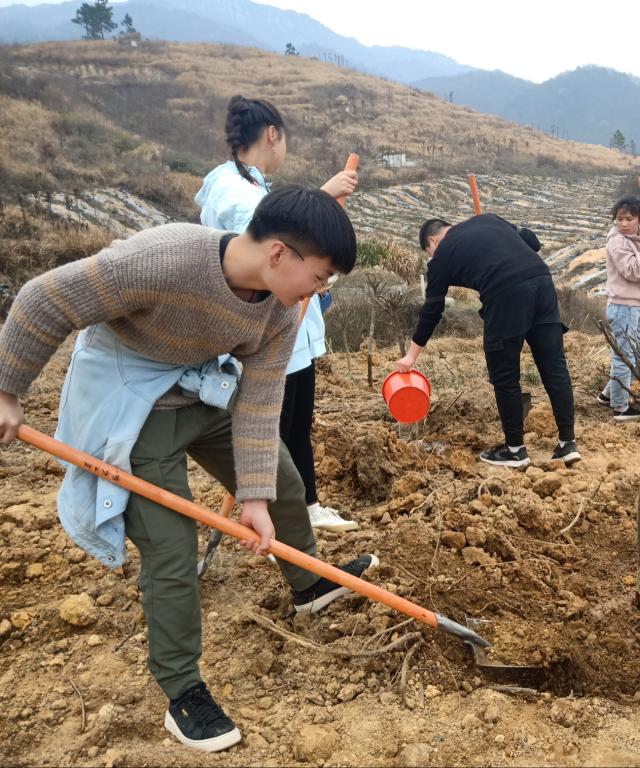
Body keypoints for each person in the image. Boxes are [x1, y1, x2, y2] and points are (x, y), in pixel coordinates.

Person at [0, 186, 380, 752]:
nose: (320, 290)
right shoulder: (164, 261)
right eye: (320, 277)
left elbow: (260, 402)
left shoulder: (279, 312)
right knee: (171, 544)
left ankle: (309, 583)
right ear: (279, 253)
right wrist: (7, 391)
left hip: (199, 388)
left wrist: (254, 497)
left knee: (281, 481)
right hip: (132, 397)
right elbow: (42, 300)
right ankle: (183, 691)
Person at [195, 95, 358, 533]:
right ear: (272, 135)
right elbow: (266, 241)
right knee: (275, 429)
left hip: (291, 327)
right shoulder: (231, 190)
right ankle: (280, 517)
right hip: (264, 328)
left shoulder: (251, 184)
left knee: (297, 423)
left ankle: (307, 505)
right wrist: (323, 197)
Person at [393, 213, 580, 468]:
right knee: (554, 368)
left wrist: (411, 356)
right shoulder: (488, 219)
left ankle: (515, 451)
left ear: (433, 241)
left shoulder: (441, 254)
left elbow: (432, 311)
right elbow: (533, 241)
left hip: (506, 294)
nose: (432, 257)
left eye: (429, 253)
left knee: (504, 374)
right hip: (542, 282)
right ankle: (568, 444)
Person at [598, 194, 640, 421]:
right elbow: (634, 272)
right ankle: (619, 407)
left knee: (637, 355)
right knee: (624, 356)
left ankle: (608, 394)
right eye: (620, 219)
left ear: (639, 220)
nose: (624, 224)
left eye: (629, 219)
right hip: (623, 306)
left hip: (638, 305)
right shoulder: (617, 242)